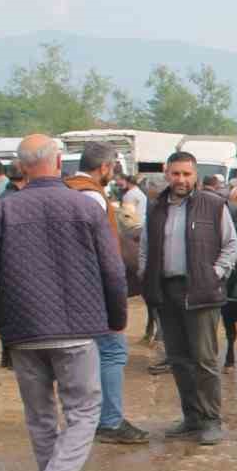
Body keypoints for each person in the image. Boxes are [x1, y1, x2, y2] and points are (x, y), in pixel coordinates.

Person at [0, 135, 128, 471]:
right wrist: (117, 316)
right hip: (76, 329)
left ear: (21, 167)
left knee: (40, 417)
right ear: (58, 161)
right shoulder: (85, 206)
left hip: (23, 330)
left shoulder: (2, 210)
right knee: (85, 412)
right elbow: (113, 268)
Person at [138, 150, 237, 446]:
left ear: (195, 175)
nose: (181, 179)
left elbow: (230, 246)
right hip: (166, 293)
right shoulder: (156, 208)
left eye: (186, 174)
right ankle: (192, 418)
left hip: (201, 292)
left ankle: (211, 420)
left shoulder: (213, 205)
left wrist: (214, 274)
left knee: (204, 360)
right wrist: (147, 274)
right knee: (179, 359)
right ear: (167, 174)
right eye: (176, 173)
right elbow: (145, 247)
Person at [63, 142, 149, 446]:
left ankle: (83, 418)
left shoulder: (63, 190)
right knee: (112, 351)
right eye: (113, 168)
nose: (113, 174)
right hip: (92, 289)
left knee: (80, 355)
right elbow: (103, 253)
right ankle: (110, 421)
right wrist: (115, 296)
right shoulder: (93, 199)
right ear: (104, 167)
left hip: (65, 288)